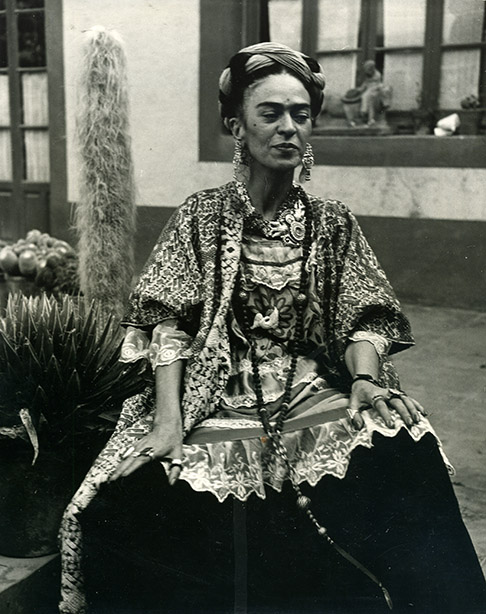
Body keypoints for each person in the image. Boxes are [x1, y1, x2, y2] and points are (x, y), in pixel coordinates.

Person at [59, 43, 486, 614]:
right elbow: (165, 322)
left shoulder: (332, 223)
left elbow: (365, 316)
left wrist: (364, 378)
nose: (289, 127)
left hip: (311, 390)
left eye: (301, 114)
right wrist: (167, 421)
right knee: (136, 499)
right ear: (237, 126)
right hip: (217, 395)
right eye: (271, 113)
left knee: (406, 453)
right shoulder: (201, 217)